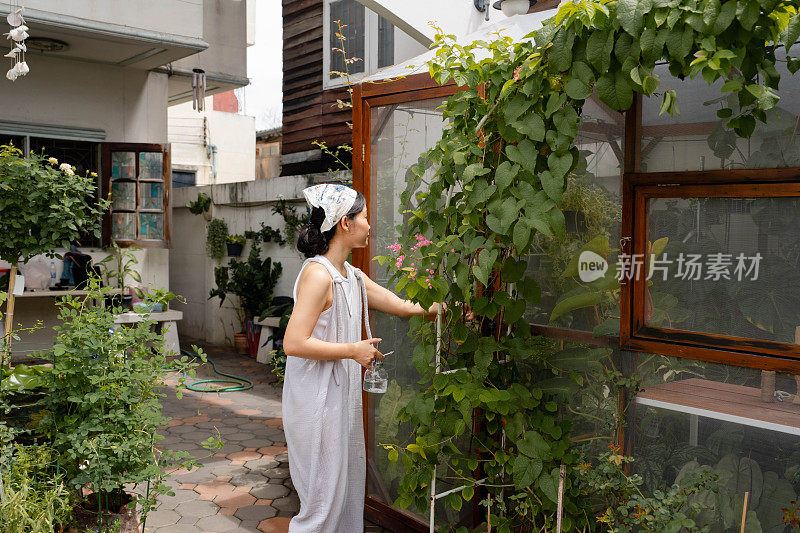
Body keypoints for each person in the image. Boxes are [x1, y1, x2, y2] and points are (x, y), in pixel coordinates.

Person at [282, 183, 444, 532]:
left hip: (337, 398)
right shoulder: (317, 274)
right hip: (315, 400)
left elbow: (401, 306)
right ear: (345, 223)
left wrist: (448, 309)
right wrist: (353, 350)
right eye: (365, 218)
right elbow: (293, 343)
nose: (370, 226)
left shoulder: (351, 276)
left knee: (342, 490)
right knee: (321, 502)